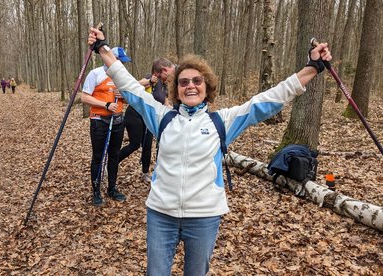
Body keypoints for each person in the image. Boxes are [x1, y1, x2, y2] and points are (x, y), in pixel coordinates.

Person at [88, 28, 331, 274]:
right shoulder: (162, 117)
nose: (190, 86)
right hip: (161, 214)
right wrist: (103, 48)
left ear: (206, 86)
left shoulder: (222, 121)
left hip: (204, 217)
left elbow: (268, 100)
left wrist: (312, 67)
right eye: (184, 82)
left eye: (196, 81)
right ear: (176, 89)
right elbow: (129, 86)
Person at [80, 46, 132, 206]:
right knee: (98, 156)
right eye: (120, 61)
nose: (122, 65)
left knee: (114, 156)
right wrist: (105, 104)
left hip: (117, 121)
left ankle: (112, 188)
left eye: (123, 62)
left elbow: (131, 100)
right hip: (99, 121)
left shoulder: (123, 76)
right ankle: (96, 191)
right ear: (109, 58)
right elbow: (84, 97)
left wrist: (123, 95)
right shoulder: (95, 74)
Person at [118, 75, 156, 183]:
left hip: (149, 115)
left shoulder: (164, 86)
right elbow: (134, 85)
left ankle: (145, 173)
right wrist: (150, 80)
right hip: (134, 114)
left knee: (147, 145)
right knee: (135, 144)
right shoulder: (150, 78)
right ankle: (112, 163)